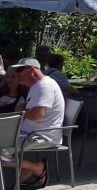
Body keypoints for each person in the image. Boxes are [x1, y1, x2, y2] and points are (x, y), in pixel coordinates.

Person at [9, 58, 65, 187]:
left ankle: (36, 168)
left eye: (19, 70)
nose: (16, 74)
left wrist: (22, 109)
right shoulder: (37, 86)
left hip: (41, 136)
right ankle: (28, 169)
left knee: (2, 149)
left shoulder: (45, 86)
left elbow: (37, 115)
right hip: (29, 133)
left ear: (32, 69)